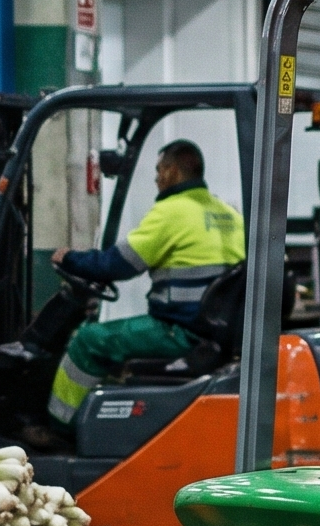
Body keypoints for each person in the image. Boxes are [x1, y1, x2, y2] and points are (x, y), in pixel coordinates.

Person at [47, 139, 245, 431]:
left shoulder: (173, 211)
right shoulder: (228, 214)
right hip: (214, 333)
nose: (156, 178)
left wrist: (71, 259)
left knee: (90, 340)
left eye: (159, 170)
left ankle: (58, 427)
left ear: (173, 172)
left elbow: (117, 265)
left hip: (179, 331)